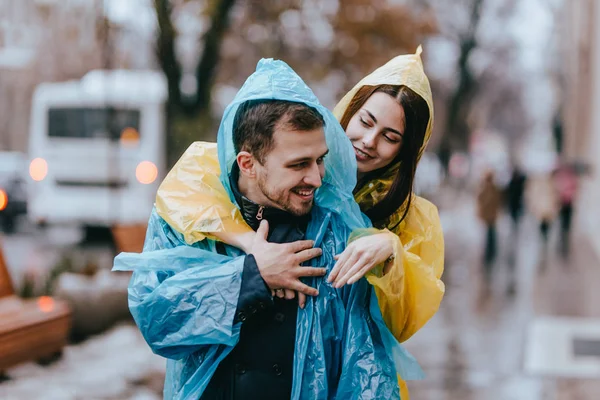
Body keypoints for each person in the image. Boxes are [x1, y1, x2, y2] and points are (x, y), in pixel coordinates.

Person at [114, 59, 421, 399]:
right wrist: (253, 278)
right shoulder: (190, 222)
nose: (317, 178)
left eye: (320, 159)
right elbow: (158, 323)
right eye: (298, 165)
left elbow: (363, 365)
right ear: (248, 164)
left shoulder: (336, 233)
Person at [477, 170, 502, 269]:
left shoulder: (492, 189)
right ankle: (490, 252)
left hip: (491, 216)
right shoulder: (488, 189)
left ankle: (491, 253)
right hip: (489, 216)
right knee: (489, 234)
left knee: (491, 234)